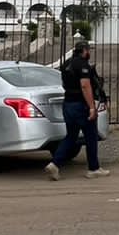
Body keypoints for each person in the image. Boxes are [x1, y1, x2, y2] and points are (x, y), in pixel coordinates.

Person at [47, 41, 110, 179]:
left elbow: (64, 84)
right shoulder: (82, 64)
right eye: (89, 50)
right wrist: (92, 107)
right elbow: (85, 86)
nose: (89, 53)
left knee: (71, 136)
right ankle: (93, 168)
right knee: (91, 136)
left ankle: (54, 163)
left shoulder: (66, 64)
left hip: (68, 104)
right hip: (80, 105)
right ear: (85, 50)